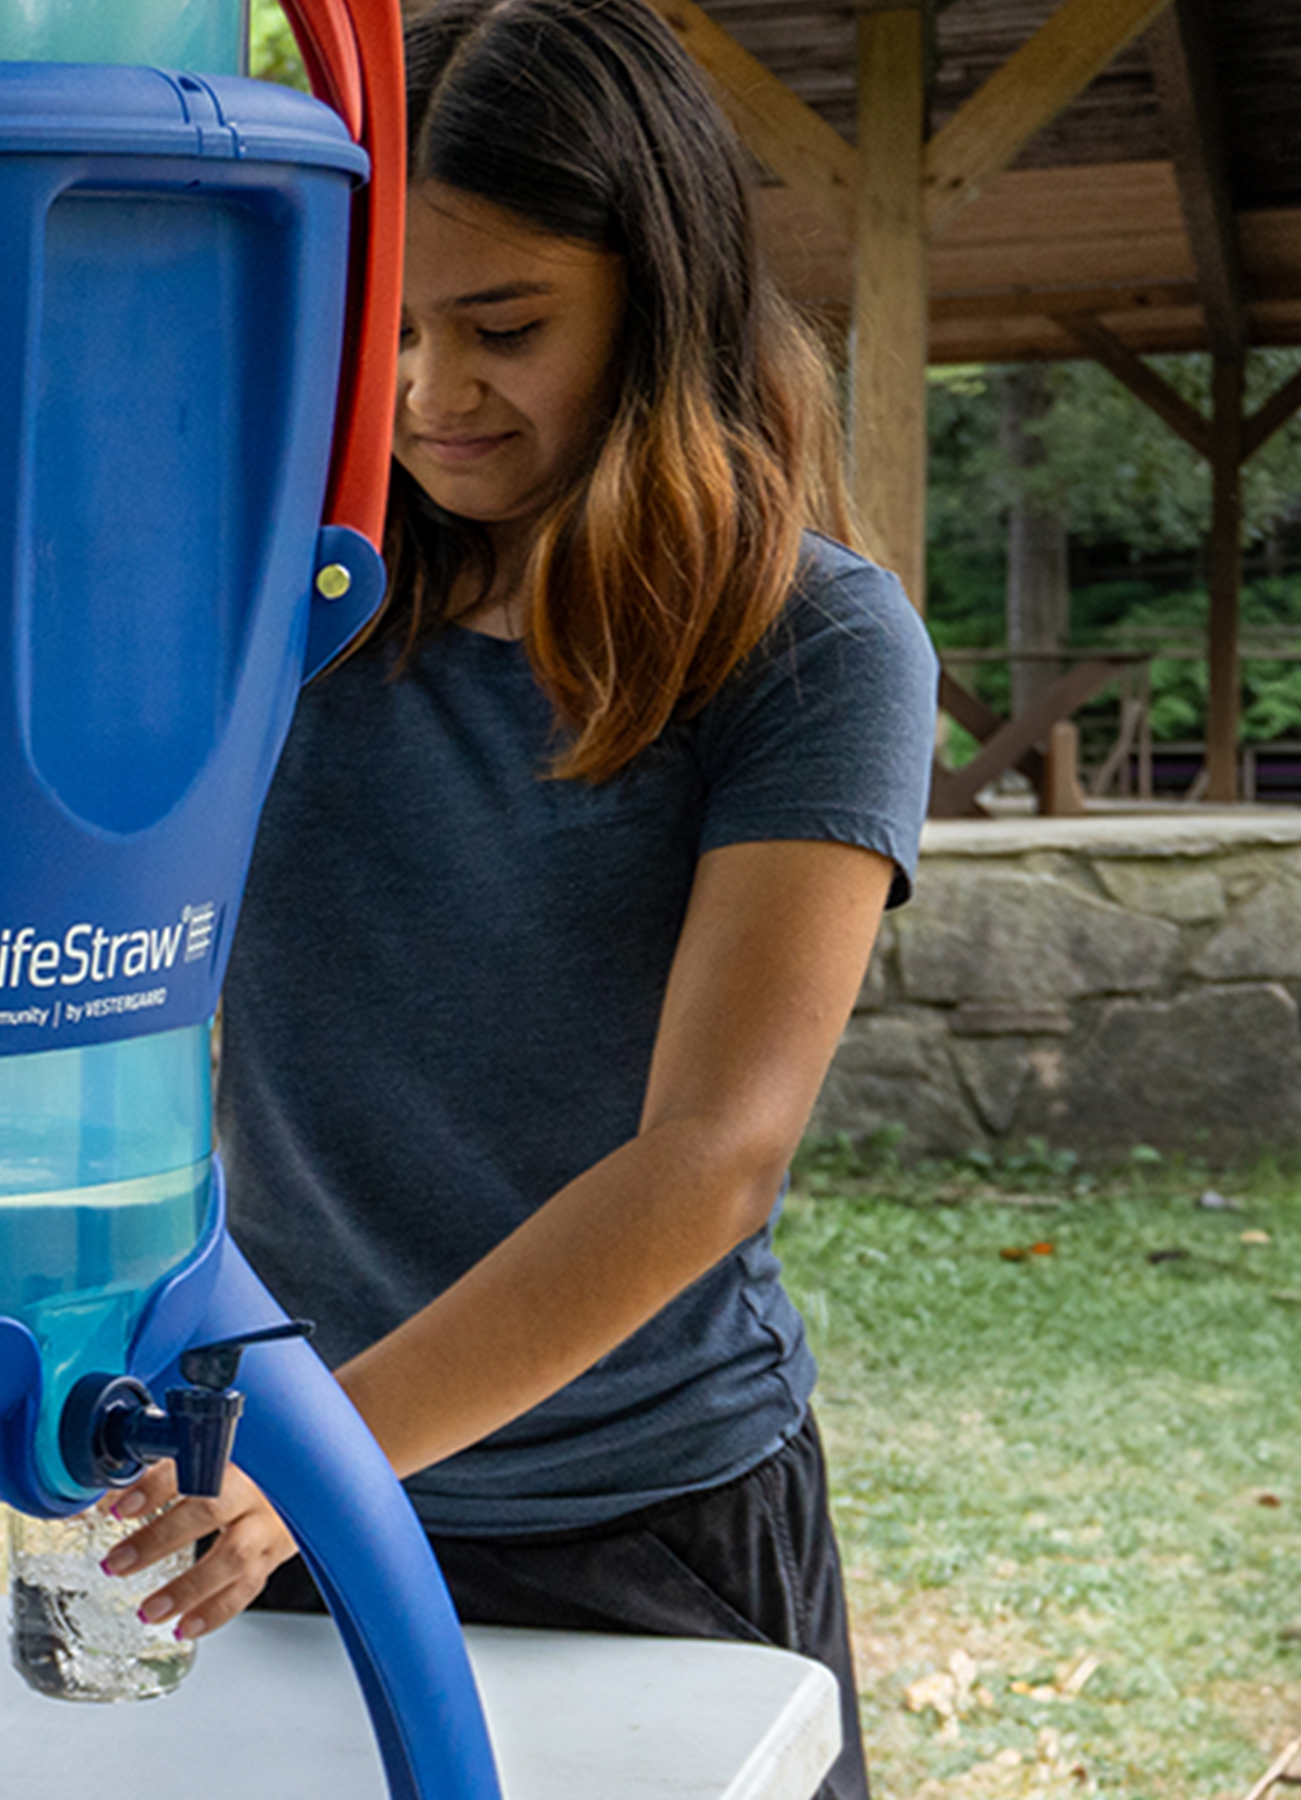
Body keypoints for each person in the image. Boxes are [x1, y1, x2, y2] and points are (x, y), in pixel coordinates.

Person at [92, 1, 933, 1795]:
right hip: (284, 1518)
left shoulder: (811, 646)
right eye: (386, 328)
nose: (427, 397)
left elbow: (710, 1154)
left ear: (662, 299)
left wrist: (314, 1459)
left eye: (505, 328)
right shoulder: (282, 605)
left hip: (642, 1520)